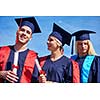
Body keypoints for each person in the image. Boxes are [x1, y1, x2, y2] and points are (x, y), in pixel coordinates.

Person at [0, 17, 41, 83]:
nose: (24, 33)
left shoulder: (33, 57)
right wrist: (1, 74)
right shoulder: (2, 51)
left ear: (30, 37)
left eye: (28, 32)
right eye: (22, 30)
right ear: (17, 32)